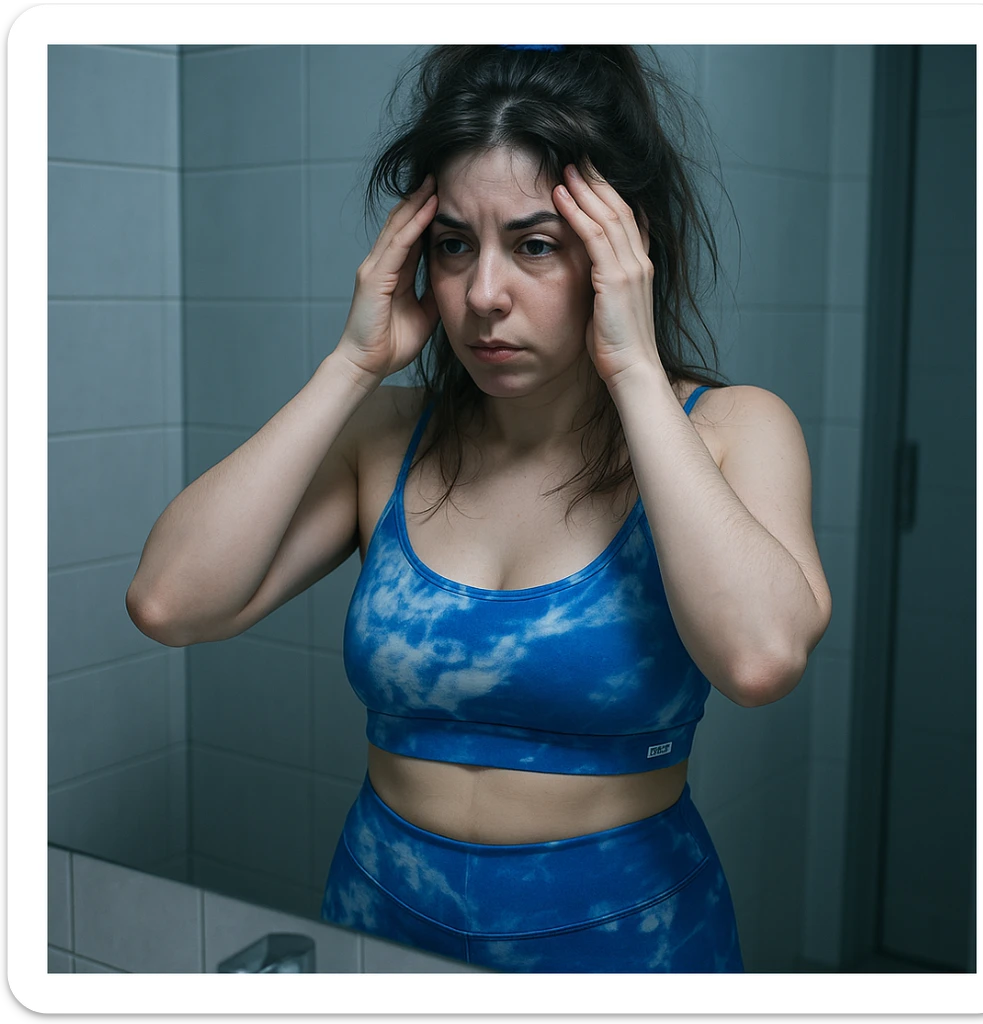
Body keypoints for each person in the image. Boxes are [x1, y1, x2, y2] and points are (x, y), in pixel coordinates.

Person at [126, 44, 831, 973]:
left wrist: (634, 366)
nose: (484, 295)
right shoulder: (386, 436)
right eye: (455, 245)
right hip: (378, 927)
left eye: (536, 245)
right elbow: (171, 602)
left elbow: (760, 659)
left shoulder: (731, 430)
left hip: (625, 948)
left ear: (621, 253)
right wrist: (351, 365)